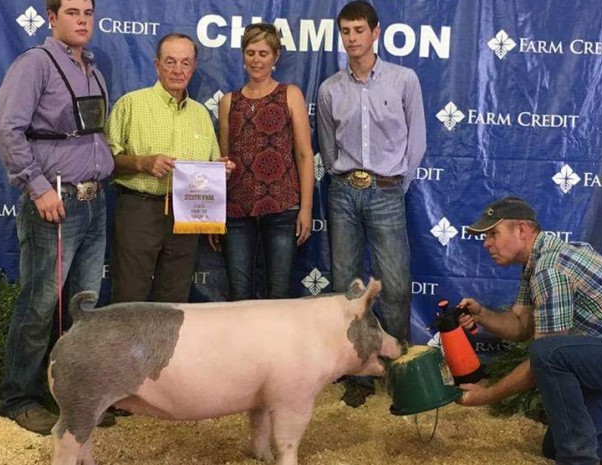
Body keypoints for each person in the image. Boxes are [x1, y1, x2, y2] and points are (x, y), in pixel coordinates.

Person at [456, 196, 602, 465]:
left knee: (547, 353)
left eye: (493, 233)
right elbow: (521, 327)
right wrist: (482, 314)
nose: (486, 243)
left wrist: (485, 395)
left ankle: (579, 461)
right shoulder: (535, 265)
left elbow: (544, 358)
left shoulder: (549, 268)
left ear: (522, 229)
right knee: (557, 445)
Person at [0, 0, 114, 435]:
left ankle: (74, 395)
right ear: (52, 18)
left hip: (94, 200)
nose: (82, 20)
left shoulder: (93, 70)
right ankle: (20, 397)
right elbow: (7, 128)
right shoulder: (35, 64)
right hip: (55, 202)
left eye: (88, 12)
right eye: (72, 12)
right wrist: (38, 187)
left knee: (83, 306)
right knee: (40, 303)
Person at [316, 0, 426, 407]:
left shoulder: (403, 80)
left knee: (395, 284)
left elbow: (417, 143)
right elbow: (327, 147)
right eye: (346, 31)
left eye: (359, 30)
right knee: (347, 286)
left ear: (375, 33)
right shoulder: (329, 88)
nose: (352, 38)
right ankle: (357, 373)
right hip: (343, 190)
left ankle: (398, 371)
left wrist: (394, 182)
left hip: (385, 190)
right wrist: (343, 176)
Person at [105, 33, 232, 304]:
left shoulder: (200, 114)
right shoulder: (131, 104)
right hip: (139, 211)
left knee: (173, 302)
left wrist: (220, 170)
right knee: (129, 298)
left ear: (194, 67)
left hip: (186, 216)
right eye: (170, 62)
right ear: (156, 64)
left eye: (185, 63)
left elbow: (209, 165)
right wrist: (142, 162)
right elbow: (105, 161)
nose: (178, 70)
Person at [212, 23, 314, 300]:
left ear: (276, 57)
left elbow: (305, 155)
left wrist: (306, 209)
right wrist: (213, 217)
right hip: (236, 211)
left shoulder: (290, 94)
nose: (256, 60)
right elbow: (224, 162)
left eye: (263, 53)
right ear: (243, 56)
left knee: (279, 294)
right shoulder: (228, 102)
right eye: (250, 52)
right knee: (239, 294)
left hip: (282, 207)